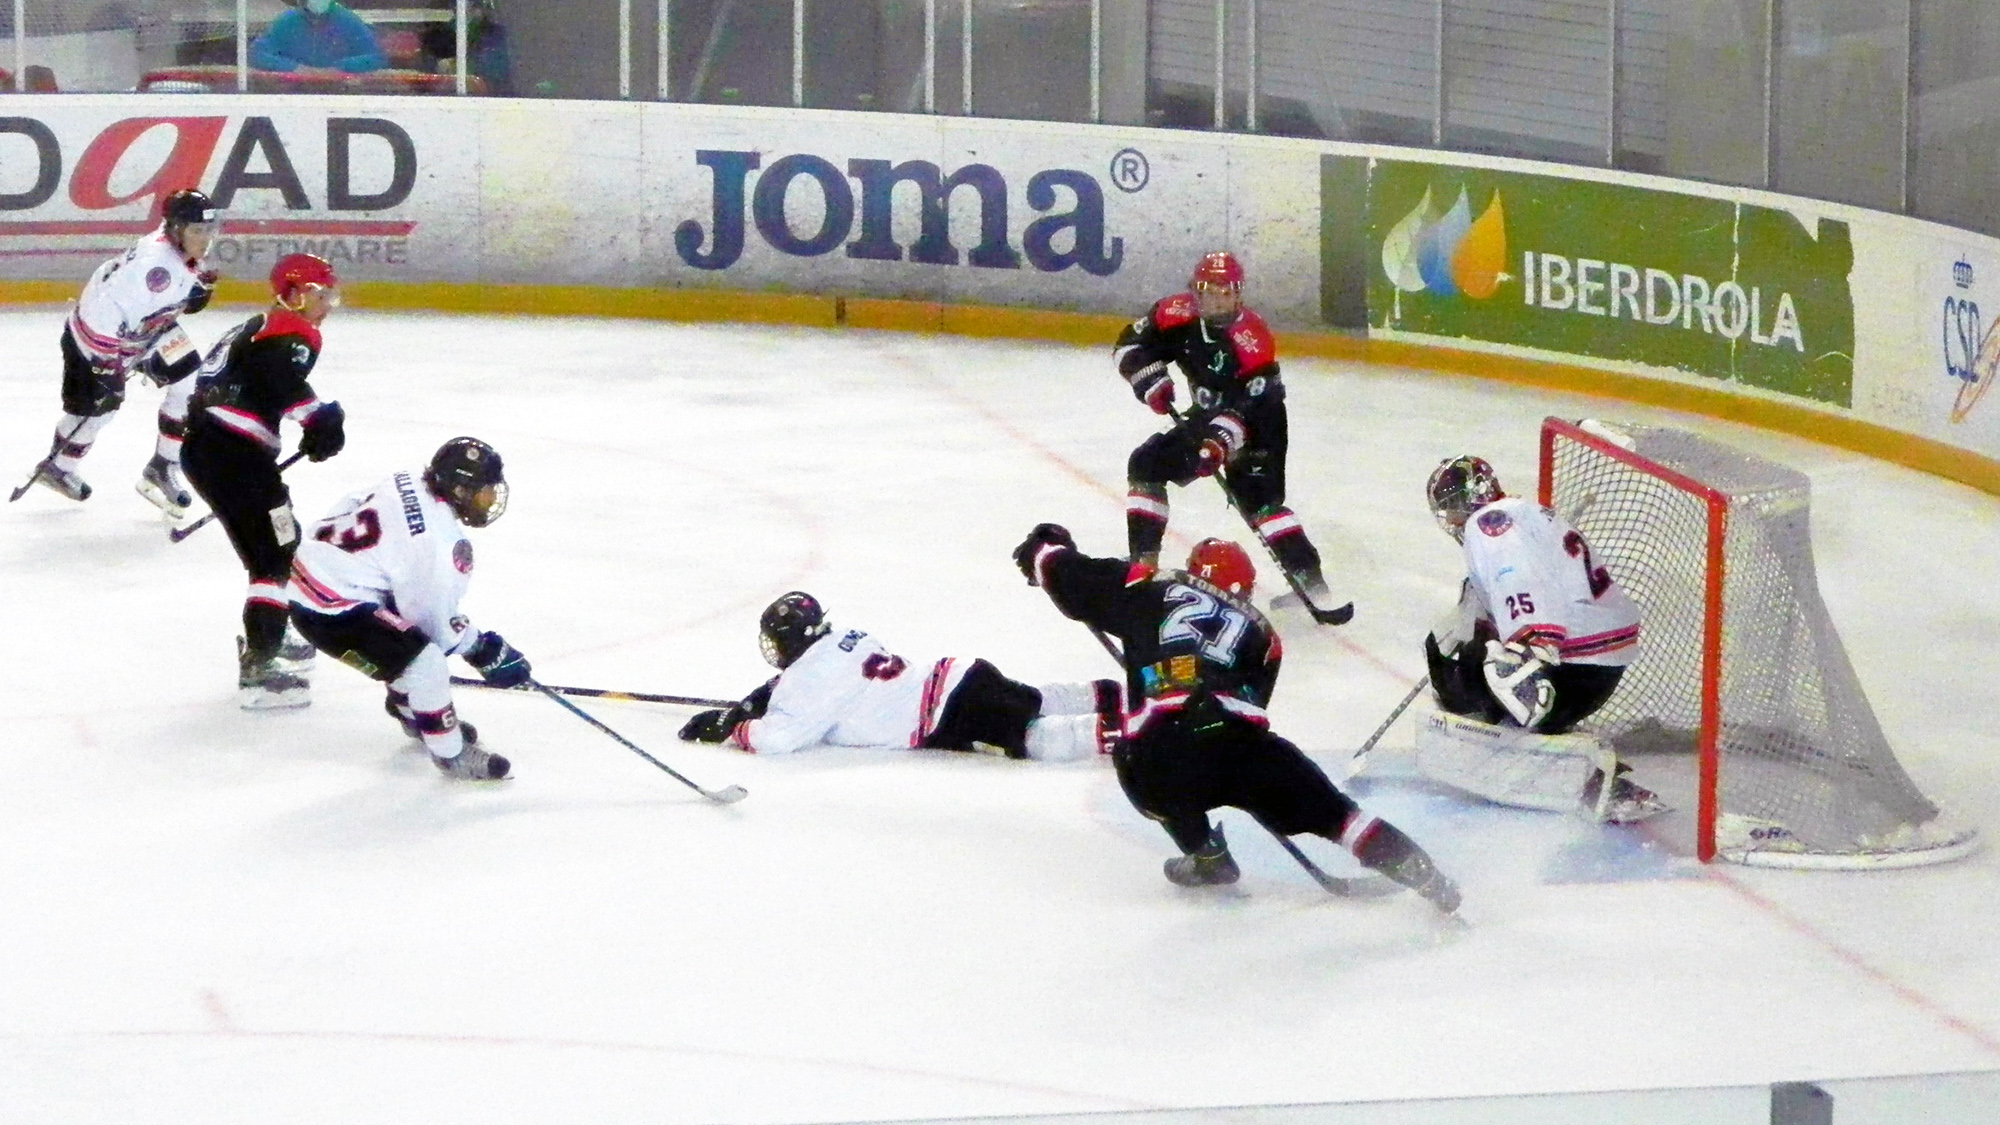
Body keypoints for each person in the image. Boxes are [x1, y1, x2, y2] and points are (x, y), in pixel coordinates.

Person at [1012, 525, 1460, 912]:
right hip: (1240, 745)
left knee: (1142, 744)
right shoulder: (1265, 634)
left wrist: (1046, 548)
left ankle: (1207, 855)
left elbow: (1066, 573)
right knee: (1341, 818)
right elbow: (1252, 705)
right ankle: (1431, 881)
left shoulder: (1150, 584)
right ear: (1244, 588)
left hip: (1159, 758)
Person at [1422, 455, 1660, 820]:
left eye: (1455, 505)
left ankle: (1542, 725)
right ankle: (1538, 720)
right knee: (1469, 647)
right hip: (1598, 662)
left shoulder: (1487, 524)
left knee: (1471, 663)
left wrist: (1531, 645)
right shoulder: (1521, 512)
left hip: (1572, 664)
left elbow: (1516, 576)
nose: (1453, 518)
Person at [289, 438, 523, 780]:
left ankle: (413, 711)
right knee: (424, 660)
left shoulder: (407, 480)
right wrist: (484, 649)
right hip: (328, 611)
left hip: (309, 575)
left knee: (399, 633)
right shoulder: (438, 543)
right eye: (484, 490)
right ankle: (450, 754)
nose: (489, 499)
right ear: (458, 489)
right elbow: (433, 625)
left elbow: (349, 505)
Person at [1114, 251, 1331, 605]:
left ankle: (1311, 582)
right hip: (1207, 414)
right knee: (1146, 464)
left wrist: (1220, 443)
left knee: (1260, 504)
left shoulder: (1252, 339)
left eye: (1225, 291)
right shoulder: (1173, 314)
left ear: (1238, 294)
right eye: (1208, 289)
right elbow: (1129, 345)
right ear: (1194, 291)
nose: (1216, 298)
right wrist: (1149, 379)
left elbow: (1251, 406)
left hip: (1262, 423)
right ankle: (1143, 562)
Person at [180, 253, 348, 710]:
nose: (327, 304)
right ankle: (261, 662)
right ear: (294, 294)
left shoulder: (258, 323)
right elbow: (275, 375)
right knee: (273, 556)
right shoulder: (293, 331)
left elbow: (237, 382)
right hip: (232, 453)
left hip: (215, 449)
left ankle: (273, 624)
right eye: (320, 294)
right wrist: (315, 419)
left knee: (278, 544)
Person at [676, 591, 1120, 761]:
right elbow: (810, 684)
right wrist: (760, 698)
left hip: (945, 715)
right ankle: (1116, 692)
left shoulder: (808, 683)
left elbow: (780, 739)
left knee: (1031, 737)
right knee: (1033, 698)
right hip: (962, 675)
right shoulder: (846, 637)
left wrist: (735, 727)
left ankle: (1133, 730)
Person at [18, 188, 219, 513]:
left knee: (189, 383)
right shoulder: (154, 270)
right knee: (97, 412)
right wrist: (106, 366)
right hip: (97, 341)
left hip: (149, 332)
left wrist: (192, 291)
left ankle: (163, 466)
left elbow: (160, 299)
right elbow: (104, 312)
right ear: (176, 228)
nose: (205, 238)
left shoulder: (175, 248)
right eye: (198, 230)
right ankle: (59, 468)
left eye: (209, 230)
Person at [250, 0, 387, 76]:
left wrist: (340, 68)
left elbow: (377, 57)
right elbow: (257, 54)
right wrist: (294, 68)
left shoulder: (347, 20)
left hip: (339, 93)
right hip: (294, 94)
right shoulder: (286, 22)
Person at [418, 0, 514, 95]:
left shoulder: (495, 33)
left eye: (477, 6)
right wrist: (438, 64)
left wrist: (458, 65)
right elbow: (426, 62)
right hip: (440, 95)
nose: (474, 12)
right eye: (472, 6)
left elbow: (497, 70)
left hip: (490, 100)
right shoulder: (442, 29)